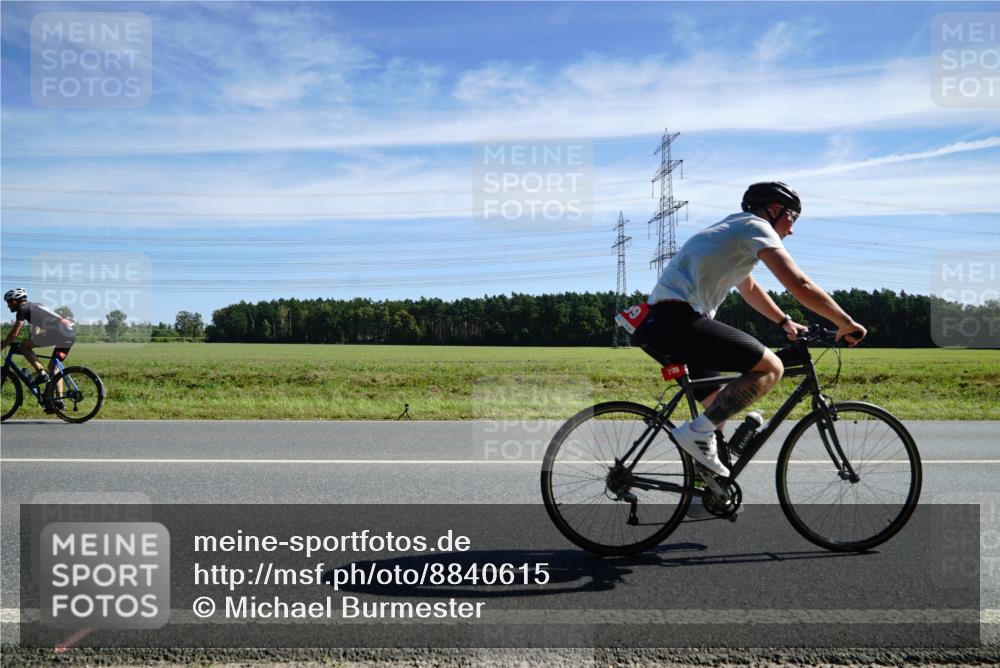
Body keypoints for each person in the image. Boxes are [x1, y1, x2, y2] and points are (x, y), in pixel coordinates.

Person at [632, 182, 866, 478]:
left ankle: (705, 489)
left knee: (719, 405)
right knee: (771, 367)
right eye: (792, 219)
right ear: (775, 210)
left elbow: (749, 286)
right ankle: (694, 435)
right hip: (678, 319)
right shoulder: (755, 226)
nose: (791, 230)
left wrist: (784, 321)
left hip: (663, 322)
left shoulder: (734, 231)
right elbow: (799, 284)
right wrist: (845, 322)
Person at [2, 288, 77, 411]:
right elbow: (36, 324)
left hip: (59, 333)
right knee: (54, 368)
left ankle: (41, 373)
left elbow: (14, 334)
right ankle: (59, 402)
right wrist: (33, 339)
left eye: (9, 302)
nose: (8, 305)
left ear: (15, 301)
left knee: (23, 346)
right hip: (69, 334)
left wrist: (3, 346)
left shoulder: (22, 309)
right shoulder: (34, 306)